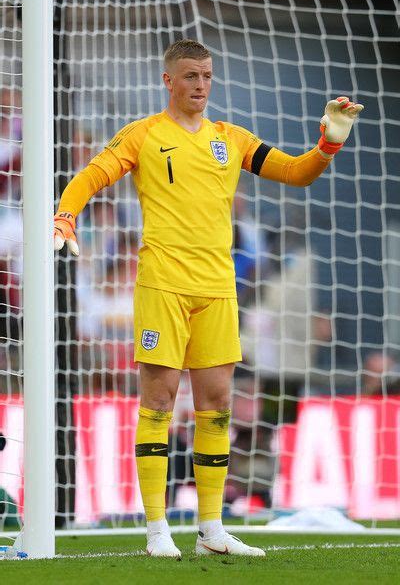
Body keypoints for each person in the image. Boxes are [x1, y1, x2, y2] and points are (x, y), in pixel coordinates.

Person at [53, 39, 363, 557]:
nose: (201, 85)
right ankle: (156, 530)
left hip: (218, 290)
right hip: (162, 286)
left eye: (208, 76)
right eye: (191, 76)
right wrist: (65, 214)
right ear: (168, 81)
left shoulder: (231, 138)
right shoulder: (143, 135)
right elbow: (91, 176)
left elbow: (295, 173)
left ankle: (211, 529)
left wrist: (328, 144)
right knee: (158, 402)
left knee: (217, 405)